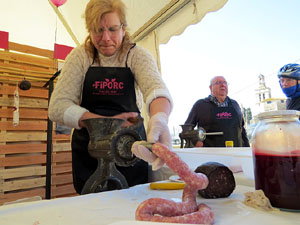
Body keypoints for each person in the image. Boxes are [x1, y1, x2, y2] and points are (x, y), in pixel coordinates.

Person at [48, 0, 173, 194]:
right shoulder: (80, 57)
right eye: (98, 30)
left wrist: (159, 118)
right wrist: (105, 122)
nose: (105, 38)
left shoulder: (136, 56)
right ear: (89, 30)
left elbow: (156, 91)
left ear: (123, 28)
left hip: (130, 148)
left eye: (113, 29)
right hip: (90, 151)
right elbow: (57, 106)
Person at [184, 76, 249, 148]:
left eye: (225, 83)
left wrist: (247, 148)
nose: (223, 85)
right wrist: (196, 141)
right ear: (210, 87)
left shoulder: (235, 104)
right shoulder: (200, 105)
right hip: (210, 154)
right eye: (219, 83)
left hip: (235, 153)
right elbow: (187, 129)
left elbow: (242, 129)